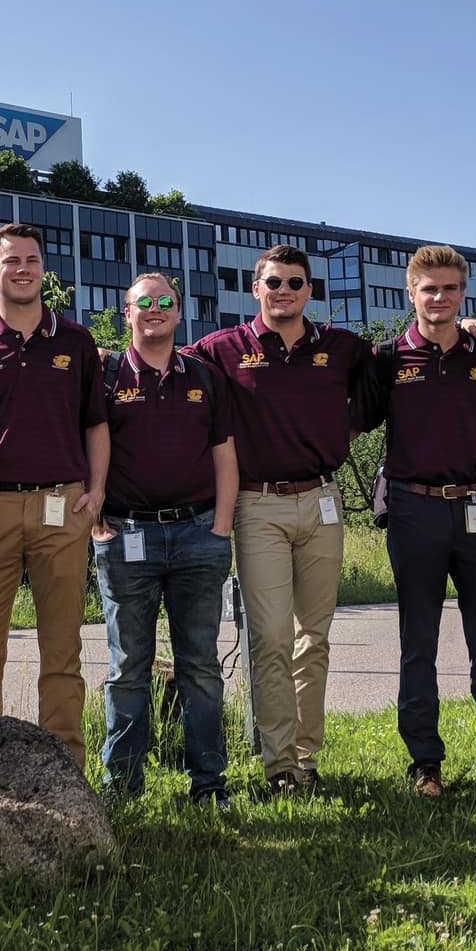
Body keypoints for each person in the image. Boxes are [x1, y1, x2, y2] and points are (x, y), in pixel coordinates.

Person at [189, 245, 372, 796]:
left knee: (313, 638)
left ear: (309, 290)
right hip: (257, 505)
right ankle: (279, 766)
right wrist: (107, 355)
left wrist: (470, 327)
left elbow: (396, 366)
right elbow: (162, 361)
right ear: (256, 289)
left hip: (322, 501)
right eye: (274, 282)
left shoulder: (342, 349)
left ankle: (306, 761)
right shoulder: (222, 349)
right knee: (270, 638)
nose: (284, 291)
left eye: (295, 282)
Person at [356, 245, 476, 796]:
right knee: (419, 641)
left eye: (450, 288)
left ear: (463, 293)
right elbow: (350, 420)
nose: (439, 298)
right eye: (429, 288)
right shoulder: (388, 358)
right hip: (414, 507)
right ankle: (424, 764)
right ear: (411, 293)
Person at [0, 223, 108, 765]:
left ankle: (65, 770)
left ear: (43, 269)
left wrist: (96, 491)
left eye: (32, 259)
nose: (23, 269)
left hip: (63, 505)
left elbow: (96, 424)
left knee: (63, 648)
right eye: (11, 260)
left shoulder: (75, 342)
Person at [93, 272, 238, 805]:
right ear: (126, 313)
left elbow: (225, 455)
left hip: (199, 534)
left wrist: (221, 527)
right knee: (127, 666)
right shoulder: (105, 376)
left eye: (164, 302)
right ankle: (123, 787)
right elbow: (88, 446)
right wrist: (96, 521)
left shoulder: (204, 375)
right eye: (143, 302)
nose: (154, 309)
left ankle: (209, 784)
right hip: (125, 535)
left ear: (179, 313)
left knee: (199, 664)